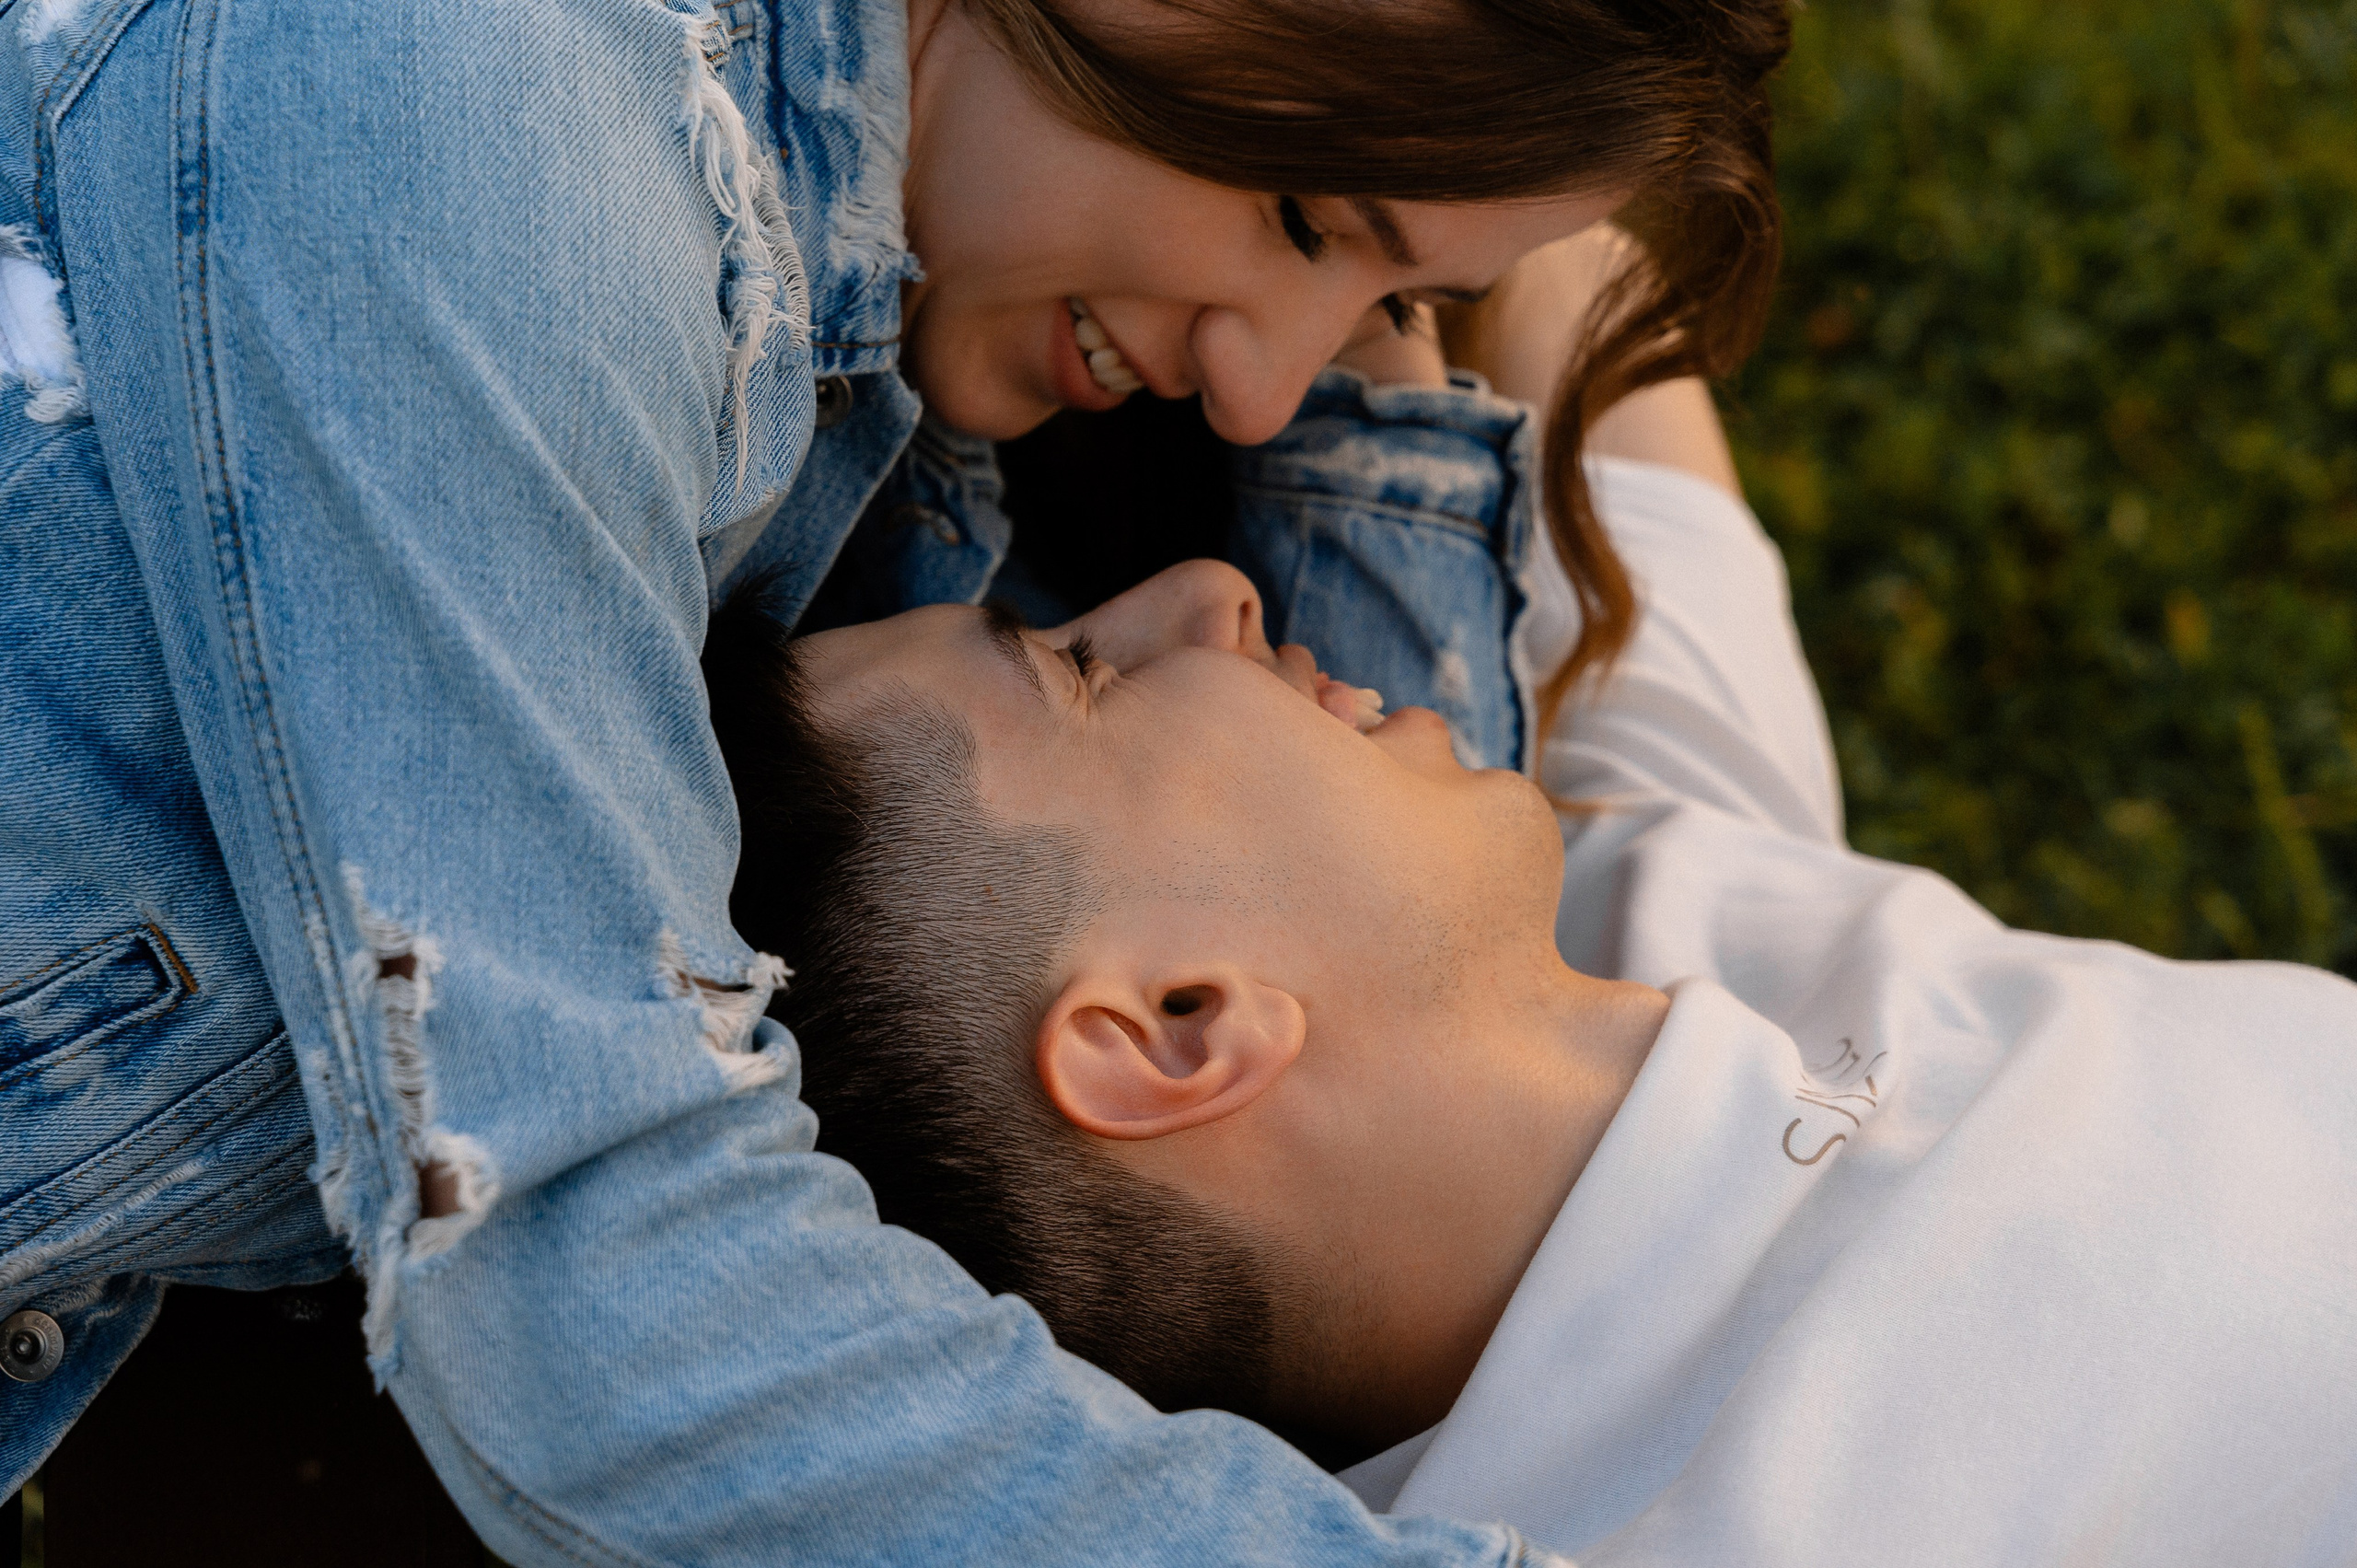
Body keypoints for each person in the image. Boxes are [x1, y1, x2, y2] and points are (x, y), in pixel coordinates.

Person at [0, 0, 1794, 1556]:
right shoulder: (488, 125)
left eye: (1391, 297)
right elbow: (588, 1293)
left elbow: (1311, 951)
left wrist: (1372, 415)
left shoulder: (883, 394)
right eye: (1301, 216)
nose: (1260, 391)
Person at [706, 315, 2357, 1562]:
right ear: (1178, 1024)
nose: (1206, 592)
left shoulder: (1650, 904)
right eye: (1085, 672)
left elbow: (1616, 387)